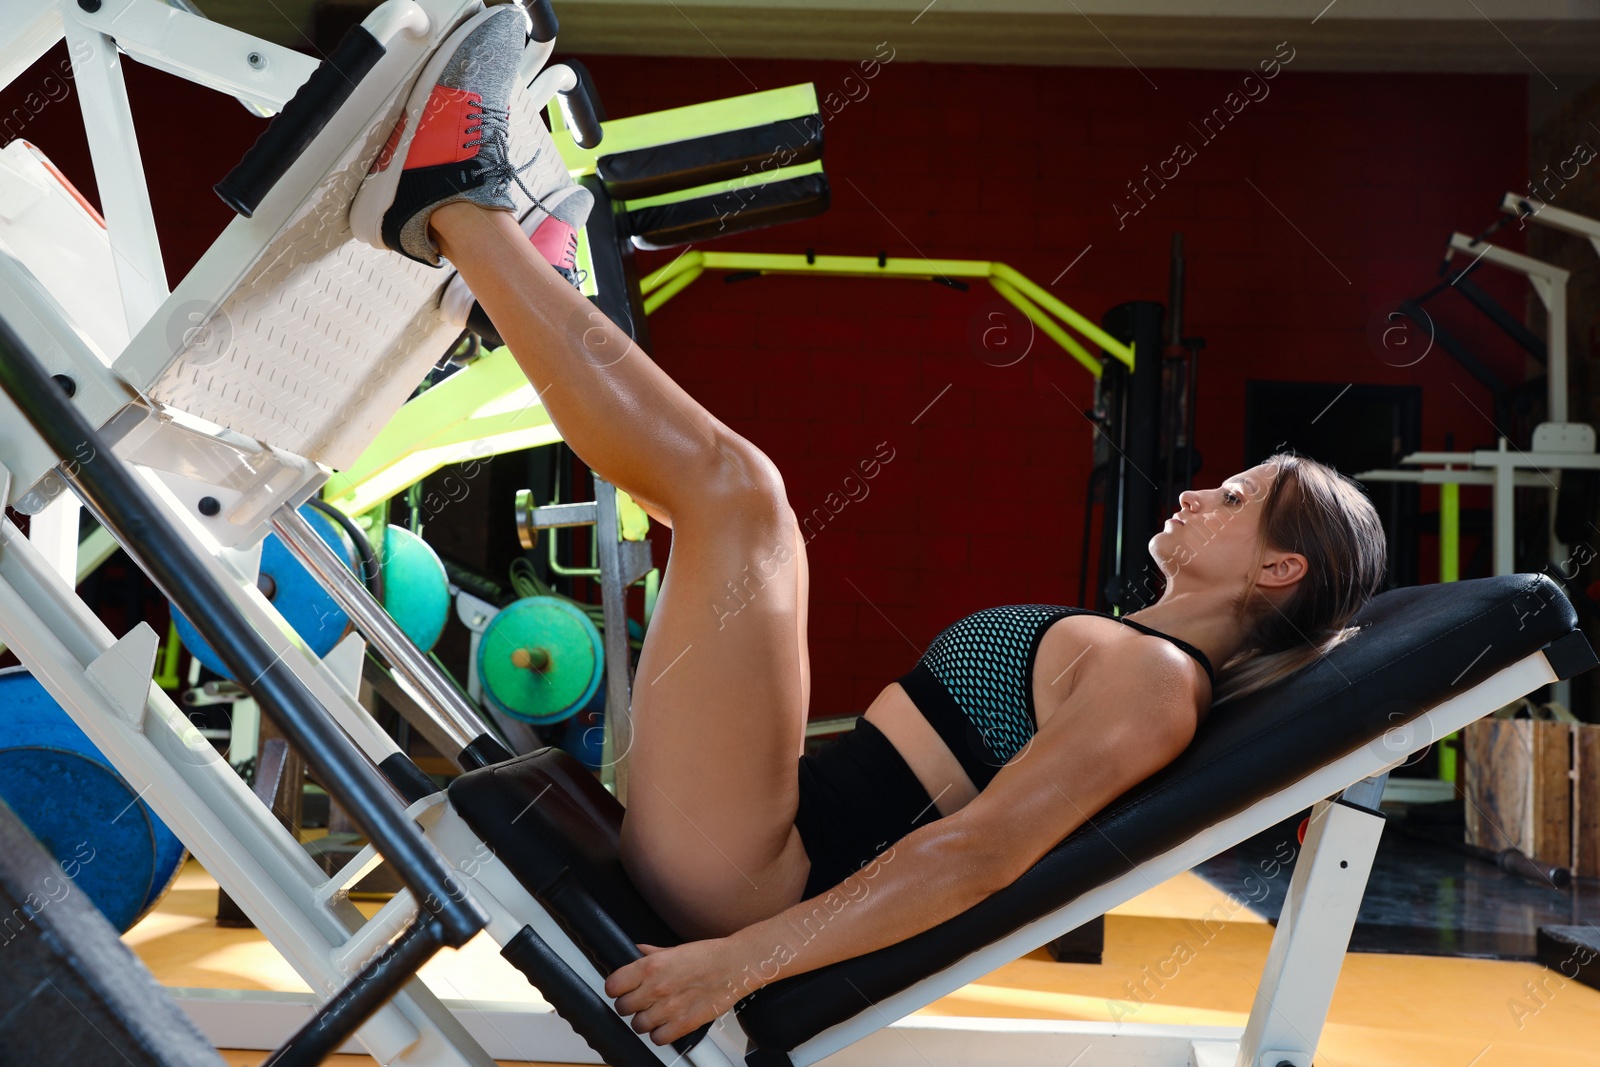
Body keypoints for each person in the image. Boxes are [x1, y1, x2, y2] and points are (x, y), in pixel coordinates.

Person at [349, 4, 1389, 1046]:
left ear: (1277, 568)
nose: (1202, 492)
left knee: (740, 493)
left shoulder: (1157, 685)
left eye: (1238, 500)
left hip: (755, 880)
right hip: (760, 837)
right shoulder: (1141, 661)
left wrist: (736, 963)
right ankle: (509, 277)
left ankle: (454, 209)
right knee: (730, 510)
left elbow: (979, 852)